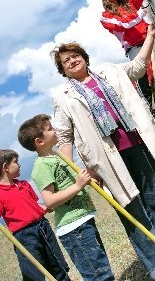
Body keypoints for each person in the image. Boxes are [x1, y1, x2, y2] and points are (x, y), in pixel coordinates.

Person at [50, 25, 155, 281]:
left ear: (83, 56)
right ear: (62, 70)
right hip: (107, 161)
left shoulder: (109, 71)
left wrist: (149, 36)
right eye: (65, 60)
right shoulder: (63, 96)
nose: (72, 60)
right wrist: (76, 174)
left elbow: (137, 68)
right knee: (133, 211)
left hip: (135, 144)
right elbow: (63, 136)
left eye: (74, 55)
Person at [18, 115, 115, 281]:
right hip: (73, 227)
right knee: (98, 274)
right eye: (50, 129)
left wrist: (88, 181)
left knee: (101, 266)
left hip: (83, 219)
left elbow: (69, 180)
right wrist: (78, 186)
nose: (55, 130)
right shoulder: (42, 166)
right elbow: (49, 200)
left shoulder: (57, 156)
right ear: (39, 141)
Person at [99, 0, 155, 129]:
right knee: (141, 73)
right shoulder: (105, 17)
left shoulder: (130, 3)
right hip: (137, 47)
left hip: (153, 36)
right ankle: (153, 110)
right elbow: (126, 24)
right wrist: (143, 13)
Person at [0, 149, 70, 281]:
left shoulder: (24, 184)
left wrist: (45, 207)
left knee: (58, 264)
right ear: (5, 167)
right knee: (33, 273)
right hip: (24, 236)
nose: (19, 165)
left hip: (43, 226)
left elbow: (33, 205)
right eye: (16, 162)